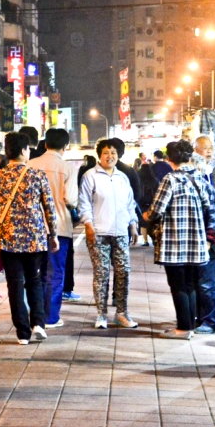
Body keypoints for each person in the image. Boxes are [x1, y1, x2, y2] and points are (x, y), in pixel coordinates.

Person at [143, 140, 215, 339]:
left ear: (169, 159)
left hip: (174, 243)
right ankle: (190, 324)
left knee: (178, 285)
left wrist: (146, 216)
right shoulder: (199, 178)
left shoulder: (170, 179)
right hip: (196, 243)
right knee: (190, 285)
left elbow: (157, 210)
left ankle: (183, 328)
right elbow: (211, 208)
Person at [0, 132, 58, 345]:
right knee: (34, 281)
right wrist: (53, 234)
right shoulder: (37, 175)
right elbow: (49, 207)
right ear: (23, 150)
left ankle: (22, 333)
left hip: (8, 239)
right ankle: (38, 324)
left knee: (15, 284)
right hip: (34, 238)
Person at [79, 139, 139, 329]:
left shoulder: (122, 177)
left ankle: (121, 313)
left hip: (121, 232)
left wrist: (133, 224)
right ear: (99, 155)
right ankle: (101, 315)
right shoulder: (90, 176)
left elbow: (130, 203)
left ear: (118, 155)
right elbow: (84, 203)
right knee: (101, 274)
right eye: (106, 152)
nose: (110, 156)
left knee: (123, 272)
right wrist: (88, 225)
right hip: (98, 233)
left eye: (113, 152)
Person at [29, 128, 77, 329]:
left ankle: (36, 316)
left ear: (45, 143)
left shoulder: (31, 164)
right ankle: (50, 317)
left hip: (33, 226)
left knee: (34, 273)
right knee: (55, 273)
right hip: (59, 226)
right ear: (65, 146)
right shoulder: (68, 168)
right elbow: (71, 199)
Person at [191, 134, 215, 335]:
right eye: (205, 147)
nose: (209, 151)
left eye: (211, 147)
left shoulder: (213, 173)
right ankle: (200, 317)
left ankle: (210, 321)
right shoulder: (197, 173)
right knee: (197, 281)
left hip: (210, 236)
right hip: (196, 236)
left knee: (207, 281)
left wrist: (211, 237)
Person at [138, 163, 158, 246]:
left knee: (143, 223)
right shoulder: (155, 180)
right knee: (152, 222)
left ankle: (145, 240)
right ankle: (154, 239)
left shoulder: (139, 180)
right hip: (152, 203)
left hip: (142, 203)